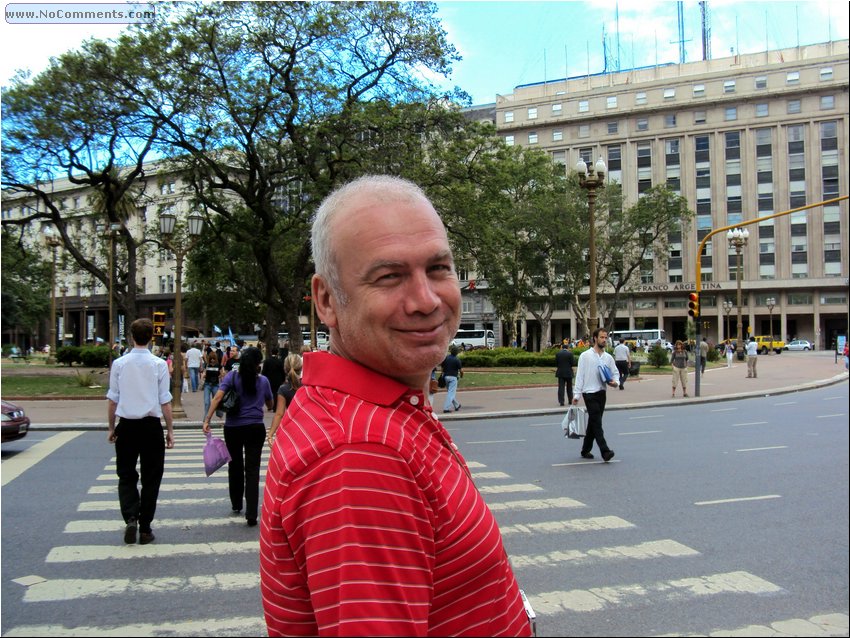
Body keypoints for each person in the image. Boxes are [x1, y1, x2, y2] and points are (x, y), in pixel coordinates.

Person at [259, 175, 530, 637]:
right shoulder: (361, 454)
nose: (426, 300)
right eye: (390, 277)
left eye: (439, 269)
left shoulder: (375, 409)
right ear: (326, 299)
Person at [106, 318, 174, 545]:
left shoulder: (120, 364)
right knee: (152, 478)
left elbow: (113, 400)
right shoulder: (159, 364)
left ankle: (131, 516)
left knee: (126, 475)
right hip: (151, 425)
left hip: (126, 424)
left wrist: (111, 427)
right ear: (151, 338)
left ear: (131, 337)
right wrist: (170, 430)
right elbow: (165, 401)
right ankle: (145, 527)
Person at [203, 346, 273, 526]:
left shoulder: (231, 377)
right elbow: (270, 403)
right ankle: (251, 512)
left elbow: (217, 398)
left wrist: (207, 419)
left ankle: (236, 503)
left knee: (235, 466)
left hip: (233, 427)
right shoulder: (263, 381)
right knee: (252, 469)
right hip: (255, 427)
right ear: (258, 364)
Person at [572, 327, 618, 462]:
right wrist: (576, 395)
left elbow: (615, 373)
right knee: (597, 422)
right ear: (595, 338)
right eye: (602, 337)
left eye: (606, 337)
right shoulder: (585, 356)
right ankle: (605, 451)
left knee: (593, 422)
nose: (604, 340)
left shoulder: (608, 357)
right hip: (588, 393)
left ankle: (585, 449)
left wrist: (615, 383)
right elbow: (580, 376)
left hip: (601, 393)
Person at [266, 353, 302, 446]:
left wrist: (270, 434)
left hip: (291, 427)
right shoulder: (309, 386)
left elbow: (279, 414)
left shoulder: (283, 389)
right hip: (309, 427)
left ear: (285, 369)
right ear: (301, 368)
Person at [440, 344, 463, 413]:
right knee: (451, 393)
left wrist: (442, 374)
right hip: (453, 377)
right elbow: (461, 371)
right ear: (456, 352)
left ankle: (457, 405)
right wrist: (461, 376)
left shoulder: (446, 358)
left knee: (450, 392)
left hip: (446, 377)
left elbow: (442, 367)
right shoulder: (457, 360)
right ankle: (446, 408)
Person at [201, 349, 221, 419]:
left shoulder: (218, 366)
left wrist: (221, 375)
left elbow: (221, 375)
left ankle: (219, 412)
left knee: (217, 401)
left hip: (216, 385)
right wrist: (203, 376)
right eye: (211, 359)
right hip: (207, 385)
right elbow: (204, 373)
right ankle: (206, 417)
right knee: (207, 402)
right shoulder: (207, 365)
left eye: (214, 359)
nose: (212, 360)